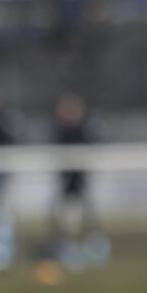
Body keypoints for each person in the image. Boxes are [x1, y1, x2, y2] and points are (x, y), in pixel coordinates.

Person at [50, 93, 103, 261]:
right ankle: (69, 254)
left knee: (86, 223)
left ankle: (94, 255)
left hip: (80, 187)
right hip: (67, 188)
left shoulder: (84, 131)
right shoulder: (60, 132)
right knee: (66, 224)